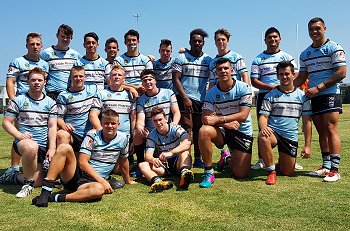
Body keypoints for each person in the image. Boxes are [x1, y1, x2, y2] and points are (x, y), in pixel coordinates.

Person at [32, 109, 136, 207]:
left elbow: (124, 161)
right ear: (101, 123)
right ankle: (45, 192)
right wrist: (103, 181)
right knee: (64, 147)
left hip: (91, 183)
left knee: (99, 190)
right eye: (106, 123)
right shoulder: (92, 135)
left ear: (118, 124)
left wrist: (128, 180)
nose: (110, 126)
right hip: (77, 175)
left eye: (113, 123)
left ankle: (54, 197)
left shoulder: (123, 138)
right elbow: (82, 162)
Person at [294, 17, 346, 182]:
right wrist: (285, 89)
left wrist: (319, 87)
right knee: (321, 131)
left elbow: (341, 72)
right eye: (311, 29)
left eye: (318, 28)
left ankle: (335, 170)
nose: (314, 32)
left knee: (331, 129)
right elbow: (301, 77)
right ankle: (326, 166)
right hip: (313, 96)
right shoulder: (305, 54)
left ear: (325, 28)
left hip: (329, 93)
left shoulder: (334, 48)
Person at [250, 27, 303, 170]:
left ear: (280, 39)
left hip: (286, 95)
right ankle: (262, 159)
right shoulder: (258, 59)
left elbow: (296, 74)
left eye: (275, 37)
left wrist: (287, 89)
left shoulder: (288, 57)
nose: (272, 40)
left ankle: (291, 159)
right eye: (269, 37)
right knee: (264, 128)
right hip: (265, 95)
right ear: (265, 40)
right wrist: (271, 88)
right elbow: (254, 80)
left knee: (289, 126)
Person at [1, 33, 49, 184]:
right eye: (32, 44)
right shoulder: (18, 61)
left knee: (39, 134)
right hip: (22, 105)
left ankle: (37, 164)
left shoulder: (44, 64)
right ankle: (14, 169)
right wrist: (13, 101)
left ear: (41, 46)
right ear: (26, 45)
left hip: (39, 103)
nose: (35, 47)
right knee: (19, 136)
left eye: (37, 44)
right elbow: (10, 81)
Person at [2, 67, 57, 198]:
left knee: (38, 181)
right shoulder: (19, 100)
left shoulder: (51, 103)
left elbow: (52, 126)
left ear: (45, 82)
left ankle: (13, 176)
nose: (36, 82)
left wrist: (52, 147)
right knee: (31, 146)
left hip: (42, 146)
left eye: (39, 80)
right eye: (33, 80)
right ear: (27, 81)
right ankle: (27, 185)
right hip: (23, 143)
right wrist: (19, 136)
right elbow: (6, 123)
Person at [198, 58, 253, 188]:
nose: (223, 71)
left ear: (232, 70)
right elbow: (205, 118)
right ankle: (209, 172)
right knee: (204, 131)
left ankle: (226, 159)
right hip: (223, 130)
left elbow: (243, 115)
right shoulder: (211, 93)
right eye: (219, 69)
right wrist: (225, 124)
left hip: (242, 131)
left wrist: (218, 119)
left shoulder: (244, 87)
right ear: (216, 72)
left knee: (241, 174)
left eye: (226, 68)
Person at [258, 61, 312, 185]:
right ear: (277, 76)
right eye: (281, 74)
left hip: (290, 136)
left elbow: (307, 122)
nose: (284, 77)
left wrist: (307, 145)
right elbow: (263, 116)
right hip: (274, 133)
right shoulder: (270, 95)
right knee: (263, 136)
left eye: (287, 74)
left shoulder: (302, 96)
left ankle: (280, 163)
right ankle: (271, 172)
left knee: (288, 172)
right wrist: (263, 127)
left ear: (293, 75)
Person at [172, 28, 212, 168]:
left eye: (199, 41)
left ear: (203, 43)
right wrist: (185, 98)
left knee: (198, 129)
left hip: (201, 101)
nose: (197, 43)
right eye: (194, 40)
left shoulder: (208, 60)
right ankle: (185, 157)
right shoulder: (181, 58)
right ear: (190, 41)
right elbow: (176, 79)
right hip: (184, 100)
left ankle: (198, 158)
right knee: (186, 129)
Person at [89, 64, 136, 178]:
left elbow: (133, 117)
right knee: (110, 169)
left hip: (123, 138)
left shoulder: (130, 95)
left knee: (118, 170)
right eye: (114, 74)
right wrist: (101, 133)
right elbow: (93, 115)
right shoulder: (102, 94)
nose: (116, 77)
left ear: (124, 79)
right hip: (106, 138)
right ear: (109, 77)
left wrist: (133, 138)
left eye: (119, 75)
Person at [139, 107, 193, 192]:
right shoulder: (152, 135)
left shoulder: (175, 128)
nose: (158, 123)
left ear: (166, 118)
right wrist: (153, 159)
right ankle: (159, 183)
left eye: (160, 119)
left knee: (185, 152)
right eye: (155, 121)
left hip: (178, 162)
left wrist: (171, 152)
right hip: (164, 165)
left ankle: (184, 175)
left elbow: (188, 141)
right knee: (142, 165)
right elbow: (148, 155)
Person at [134, 69, 180, 169]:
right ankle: (140, 163)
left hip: (167, 128)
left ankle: (182, 162)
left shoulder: (168, 92)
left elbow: (176, 112)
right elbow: (140, 120)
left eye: (150, 79)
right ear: (142, 83)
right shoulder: (141, 100)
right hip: (152, 132)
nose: (147, 82)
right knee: (137, 133)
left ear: (155, 81)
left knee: (182, 132)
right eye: (144, 80)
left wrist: (174, 124)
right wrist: (141, 128)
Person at [56, 66, 98, 152]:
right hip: (72, 133)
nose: (78, 78)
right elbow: (59, 118)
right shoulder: (63, 96)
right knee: (61, 134)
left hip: (88, 133)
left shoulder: (93, 89)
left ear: (85, 77)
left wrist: (130, 88)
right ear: (71, 78)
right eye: (75, 76)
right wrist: (64, 125)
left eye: (81, 76)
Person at [40, 24, 81, 100]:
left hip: (70, 94)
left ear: (71, 38)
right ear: (57, 36)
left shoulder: (76, 55)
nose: (65, 39)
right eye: (63, 36)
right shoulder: (45, 53)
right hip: (52, 94)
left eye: (68, 37)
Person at [114, 29, 153, 93]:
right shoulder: (118, 60)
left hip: (144, 93)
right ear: (125, 42)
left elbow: (151, 79)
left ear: (138, 42)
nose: (131, 42)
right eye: (129, 40)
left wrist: (143, 87)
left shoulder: (146, 60)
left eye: (134, 40)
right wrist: (134, 88)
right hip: (125, 93)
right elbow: (116, 81)